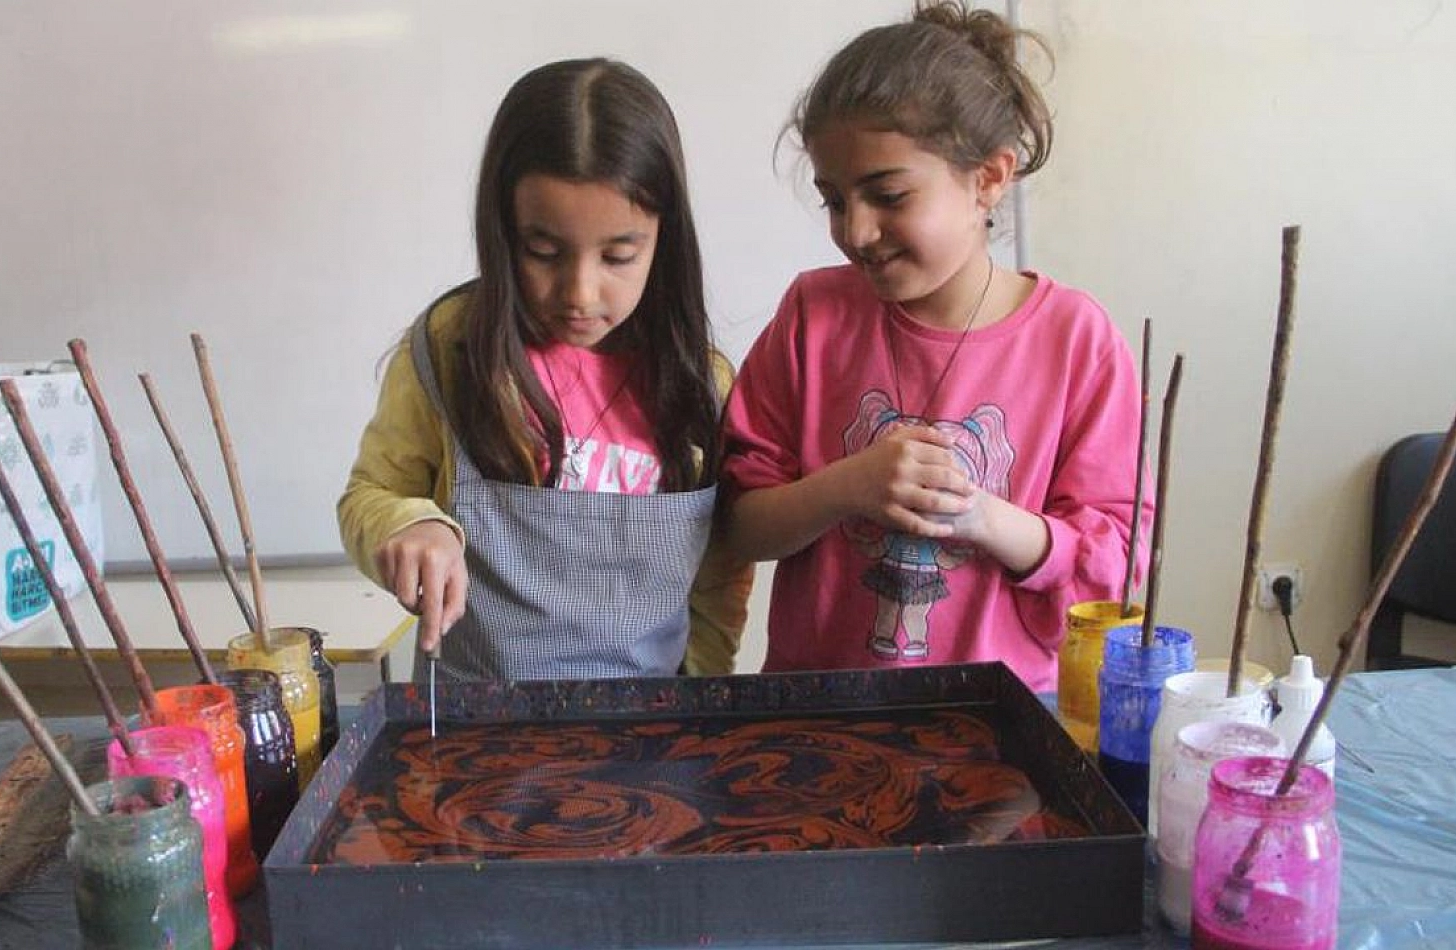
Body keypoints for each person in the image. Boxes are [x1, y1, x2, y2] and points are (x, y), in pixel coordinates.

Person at [720, 2, 1147, 691]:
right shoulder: (812, 315)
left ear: (988, 178)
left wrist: (981, 516)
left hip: (1005, 718)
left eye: (887, 195)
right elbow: (737, 525)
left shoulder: (1076, 340)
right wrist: (847, 486)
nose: (856, 231)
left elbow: (1112, 571)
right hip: (821, 711)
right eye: (834, 200)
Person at [339, 58, 750, 682]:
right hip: (473, 725)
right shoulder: (451, 349)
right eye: (543, 251)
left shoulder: (699, 382)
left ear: (664, 238)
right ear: (502, 230)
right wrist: (411, 523)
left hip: (648, 727)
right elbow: (369, 495)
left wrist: (702, 694)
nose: (579, 293)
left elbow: (719, 570)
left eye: (619, 255)